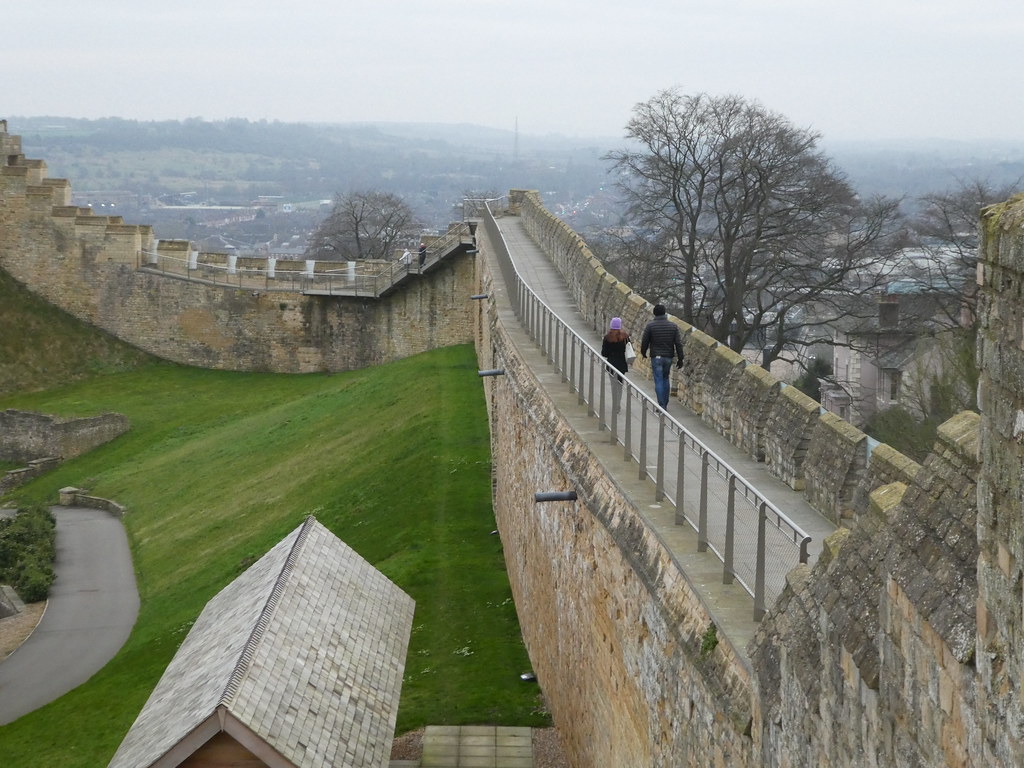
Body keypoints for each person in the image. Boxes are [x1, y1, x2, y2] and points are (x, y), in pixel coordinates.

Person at [640, 304, 684, 409]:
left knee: (658, 380)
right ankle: (665, 402)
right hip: (668, 357)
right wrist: (680, 358)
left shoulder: (650, 326)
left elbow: (645, 341)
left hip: (656, 357)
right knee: (665, 379)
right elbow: (678, 343)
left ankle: (661, 405)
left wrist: (643, 352)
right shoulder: (673, 326)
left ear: (654, 313)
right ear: (665, 313)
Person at [601, 317, 631, 413]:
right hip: (622, 364)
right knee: (619, 384)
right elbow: (629, 349)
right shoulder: (625, 337)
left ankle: (615, 404)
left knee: (613, 385)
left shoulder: (607, 338)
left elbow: (604, 353)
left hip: (611, 364)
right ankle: (618, 403)